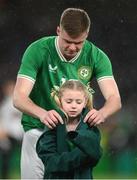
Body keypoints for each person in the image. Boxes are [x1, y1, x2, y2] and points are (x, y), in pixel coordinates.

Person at [13, 8, 121, 179]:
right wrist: (42, 113)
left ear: (86, 34)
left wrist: (102, 113)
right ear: (58, 31)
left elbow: (114, 99)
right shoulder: (38, 50)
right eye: (67, 41)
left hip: (72, 134)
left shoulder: (97, 56)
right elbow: (18, 97)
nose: (72, 47)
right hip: (38, 129)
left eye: (78, 43)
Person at [36, 80, 102, 179]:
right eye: (69, 101)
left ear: (85, 102)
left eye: (78, 102)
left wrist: (63, 161)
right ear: (60, 101)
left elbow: (96, 156)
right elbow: (50, 162)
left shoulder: (91, 125)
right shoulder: (52, 124)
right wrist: (82, 156)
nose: (74, 106)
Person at [0, 80, 24, 178]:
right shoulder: (5, 103)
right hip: (7, 135)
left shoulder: (19, 101)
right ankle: (5, 176)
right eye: (7, 88)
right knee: (6, 154)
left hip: (20, 134)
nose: (9, 90)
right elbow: (3, 120)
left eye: (11, 87)